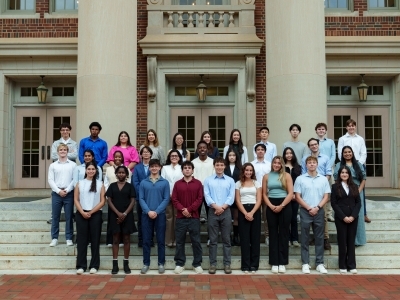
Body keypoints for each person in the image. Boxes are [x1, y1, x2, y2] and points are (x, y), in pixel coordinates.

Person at [294, 156, 331, 274]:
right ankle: (305, 263)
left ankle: (319, 263)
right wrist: (309, 207)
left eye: (314, 162)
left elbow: (326, 196)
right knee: (304, 238)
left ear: (317, 164)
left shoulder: (323, 179)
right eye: (309, 163)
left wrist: (318, 207)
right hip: (306, 210)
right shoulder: (300, 179)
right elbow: (297, 196)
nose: (311, 164)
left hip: (319, 210)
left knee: (319, 238)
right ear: (306, 165)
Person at [171, 161, 204, 274]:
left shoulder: (198, 183)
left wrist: (189, 210)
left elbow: (200, 199)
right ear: (182, 170)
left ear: (192, 170)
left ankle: (197, 263)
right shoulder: (177, 184)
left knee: (196, 241)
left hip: (194, 217)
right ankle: (180, 263)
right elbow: (174, 199)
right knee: (180, 242)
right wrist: (183, 210)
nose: (187, 169)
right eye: (185, 168)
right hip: (180, 218)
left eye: (189, 168)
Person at [204, 157, 235, 275]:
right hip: (212, 211)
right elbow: (207, 195)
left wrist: (222, 207)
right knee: (213, 240)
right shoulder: (208, 180)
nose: (219, 167)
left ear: (225, 166)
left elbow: (231, 196)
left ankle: (227, 264)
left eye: (221, 165)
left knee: (226, 240)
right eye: (217, 165)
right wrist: (216, 207)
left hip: (226, 211)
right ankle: (213, 264)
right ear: (214, 166)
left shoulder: (230, 180)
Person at [262, 156, 293, 274]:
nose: (276, 164)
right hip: (271, 204)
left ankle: (283, 262)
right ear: (272, 164)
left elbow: (290, 193)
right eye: (274, 162)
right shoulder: (266, 176)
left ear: (282, 164)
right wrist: (270, 205)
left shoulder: (287, 175)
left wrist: (282, 205)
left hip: (285, 204)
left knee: (284, 234)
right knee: (273, 234)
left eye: (278, 163)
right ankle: (274, 262)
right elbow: (264, 194)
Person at [139, 159, 170, 274]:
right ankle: (146, 263)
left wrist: (156, 211)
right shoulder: (143, 182)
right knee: (146, 240)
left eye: (156, 166)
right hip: (146, 215)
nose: (154, 168)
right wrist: (148, 211)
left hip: (160, 215)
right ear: (149, 168)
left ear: (160, 168)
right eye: (152, 166)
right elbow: (141, 198)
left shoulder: (164, 182)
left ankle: (161, 263)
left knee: (161, 240)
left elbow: (166, 198)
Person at [74, 162, 105, 275]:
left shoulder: (100, 184)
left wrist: (91, 212)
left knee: (95, 240)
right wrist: (82, 212)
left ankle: (94, 265)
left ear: (96, 171)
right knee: (82, 240)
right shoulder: (79, 183)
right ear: (86, 170)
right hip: (81, 214)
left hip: (95, 214)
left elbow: (102, 201)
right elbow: (76, 199)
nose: (91, 171)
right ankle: (81, 265)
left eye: (93, 169)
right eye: (89, 169)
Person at [301, 138, 332, 251]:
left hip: (321, 189)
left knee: (322, 216)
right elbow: (303, 173)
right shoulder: (305, 159)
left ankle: (325, 238)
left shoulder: (325, 158)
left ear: (318, 145)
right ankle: (314, 237)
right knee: (308, 216)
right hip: (308, 189)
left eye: (315, 144)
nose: (313, 146)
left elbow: (328, 172)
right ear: (309, 147)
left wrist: (322, 182)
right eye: (311, 145)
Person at [337, 119, 370, 223]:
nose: (351, 127)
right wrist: (345, 164)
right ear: (346, 127)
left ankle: (363, 214)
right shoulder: (342, 139)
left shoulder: (360, 139)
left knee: (360, 192)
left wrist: (358, 164)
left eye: (353, 126)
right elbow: (340, 152)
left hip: (358, 165)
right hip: (345, 165)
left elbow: (363, 152)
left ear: (355, 127)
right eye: (349, 126)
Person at [106, 165, 137, 274]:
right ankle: (115, 265)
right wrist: (118, 213)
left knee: (126, 239)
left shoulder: (130, 186)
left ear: (127, 174)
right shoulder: (112, 186)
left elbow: (133, 201)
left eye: (123, 173)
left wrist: (124, 213)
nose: (121, 174)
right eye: (119, 172)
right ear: (116, 174)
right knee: (115, 239)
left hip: (127, 215)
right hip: (114, 215)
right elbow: (109, 200)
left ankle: (126, 264)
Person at [333, 146, 366, 246]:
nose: (347, 154)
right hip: (343, 194)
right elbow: (336, 179)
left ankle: (357, 241)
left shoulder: (358, 164)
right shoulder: (339, 165)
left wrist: (357, 191)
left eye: (349, 152)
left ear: (352, 153)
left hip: (357, 192)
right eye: (345, 152)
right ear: (342, 154)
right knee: (344, 216)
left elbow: (363, 178)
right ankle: (345, 241)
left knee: (357, 217)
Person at [331, 165, 361, 274]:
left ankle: (351, 265)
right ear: (339, 174)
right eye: (342, 172)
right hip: (341, 218)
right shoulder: (335, 187)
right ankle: (342, 265)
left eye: (346, 172)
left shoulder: (355, 186)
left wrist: (353, 216)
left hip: (353, 217)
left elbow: (358, 202)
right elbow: (334, 203)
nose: (344, 174)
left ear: (349, 174)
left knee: (351, 241)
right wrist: (343, 217)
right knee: (342, 241)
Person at [48, 122, 78, 224]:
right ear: (60, 131)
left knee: (70, 195)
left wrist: (62, 154)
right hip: (59, 169)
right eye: (63, 130)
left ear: (69, 131)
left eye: (67, 130)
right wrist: (67, 154)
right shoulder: (55, 143)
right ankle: (54, 216)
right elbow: (53, 156)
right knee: (55, 195)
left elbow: (75, 156)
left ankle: (71, 215)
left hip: (70, 169)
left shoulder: (74, 143)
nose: (65, 132)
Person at [48, 144, 76, 247]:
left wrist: (67, 190)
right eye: (61, 150)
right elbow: (50, 180)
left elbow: (74, 179)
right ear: (57, 152)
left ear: (67, 151)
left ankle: (69, 238)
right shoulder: (53, 165)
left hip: (69, 193)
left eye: (65, 150)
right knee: (55, 216)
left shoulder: (73, 165)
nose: (63, 151)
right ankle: (54, 238)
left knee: (69, 216)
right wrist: (58, 191)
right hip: (56, 194)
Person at [235, 163, 262, 273]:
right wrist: (246, 213)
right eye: (247, 170)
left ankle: (254, 265)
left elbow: (259, 199)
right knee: (245, 239)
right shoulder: (238, 183)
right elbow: (237, 200)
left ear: (253, 172)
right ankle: (245, 265)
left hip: (255, 210)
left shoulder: (257, 183)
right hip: (243, 211)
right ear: (243, 171)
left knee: (255, 239)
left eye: (251, 170)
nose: (248, 172)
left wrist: (252, 213)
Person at [104, 151, 132, 247]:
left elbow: (129, 183)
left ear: (122, 158)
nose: (117, 159)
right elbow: (106, 183)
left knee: (123, 221)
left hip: (124, 197)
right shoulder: (108, 169)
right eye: (116, 157)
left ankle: (121, 241)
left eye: (119, 157)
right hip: (112, 196)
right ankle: (110, 240)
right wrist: (109, 194)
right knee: (111, 219)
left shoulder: (127, 169)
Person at [132, 146, 154, 248]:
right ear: (141, 155)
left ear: (150, 154)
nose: (145, 154)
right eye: (143, 152)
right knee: (141, 220)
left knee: (151, 219)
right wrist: (141, 192)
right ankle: (141, 239)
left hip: (152, 198)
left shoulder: (154, 167)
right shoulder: (137, 168)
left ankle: (150, 239)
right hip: (140, 198)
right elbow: (135, 182)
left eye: (147, 152)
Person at [161, 150, 184, 248]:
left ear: (179, 158)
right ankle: (169, 240)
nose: (174, 157)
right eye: (172, 156)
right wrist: (168, 194)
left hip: (179, 197)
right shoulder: (165, 168)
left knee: (177, 218)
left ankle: (177, 240)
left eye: (176, 156)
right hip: (167, 196)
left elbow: (183, 181)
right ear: (169, 158)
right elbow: (163, 181)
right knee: (169, 218)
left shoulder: (182, 168)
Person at [315, 123, 336, 223]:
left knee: (328, 192)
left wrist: (328, 166)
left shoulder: (330, 142)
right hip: (316, 170)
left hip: (328, 171)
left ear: (326, 131)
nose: (321, 131)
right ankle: (319, 211)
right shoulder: (314, 142)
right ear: (316, 131)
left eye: (323, 129)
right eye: (319, 129)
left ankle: (329, 214)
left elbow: (333, 155)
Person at [251, 143, 271, 245]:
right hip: (254, 194)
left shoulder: (269, 164)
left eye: (262, 149)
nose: (260, 151)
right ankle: (255, 236)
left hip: (267, 193)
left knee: (267, 216)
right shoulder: (251, 164)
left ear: (265, 152)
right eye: (258, 149)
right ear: (255, 152)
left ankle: (267, 236)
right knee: (255, 215)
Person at [192, 141, 215, 230]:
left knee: (211, 215)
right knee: (195, 214)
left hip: (209, 191)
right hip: (196, 191)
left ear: (207, 149)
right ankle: (195, 236)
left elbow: (213, 177)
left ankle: (210, 238)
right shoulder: (193, 162)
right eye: (200, 148)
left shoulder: (212, 162)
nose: (202, 149)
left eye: (204, 147)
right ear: (197, 150)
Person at [283, 147, 302, 247]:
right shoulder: (281, 167)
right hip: (284, 196)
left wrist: (295, 194)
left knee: (294, 217)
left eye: (290, 153)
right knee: (286, 218)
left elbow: (300, 182)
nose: (289, 155)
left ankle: (294, 239)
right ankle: (286, 238)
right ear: (284, 155)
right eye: (287, 153)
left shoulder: (298, 167)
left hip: (295, 197)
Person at [224, 148, 242, 246]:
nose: (231, 157)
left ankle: (236, 236)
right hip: (225, 196)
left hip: (237, 195)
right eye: (230, 155)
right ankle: (228, 237)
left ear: (236, 157)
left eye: (233, 155)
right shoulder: (224, 167)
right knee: (227, 218)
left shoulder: (240, 168)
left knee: (236, 217)